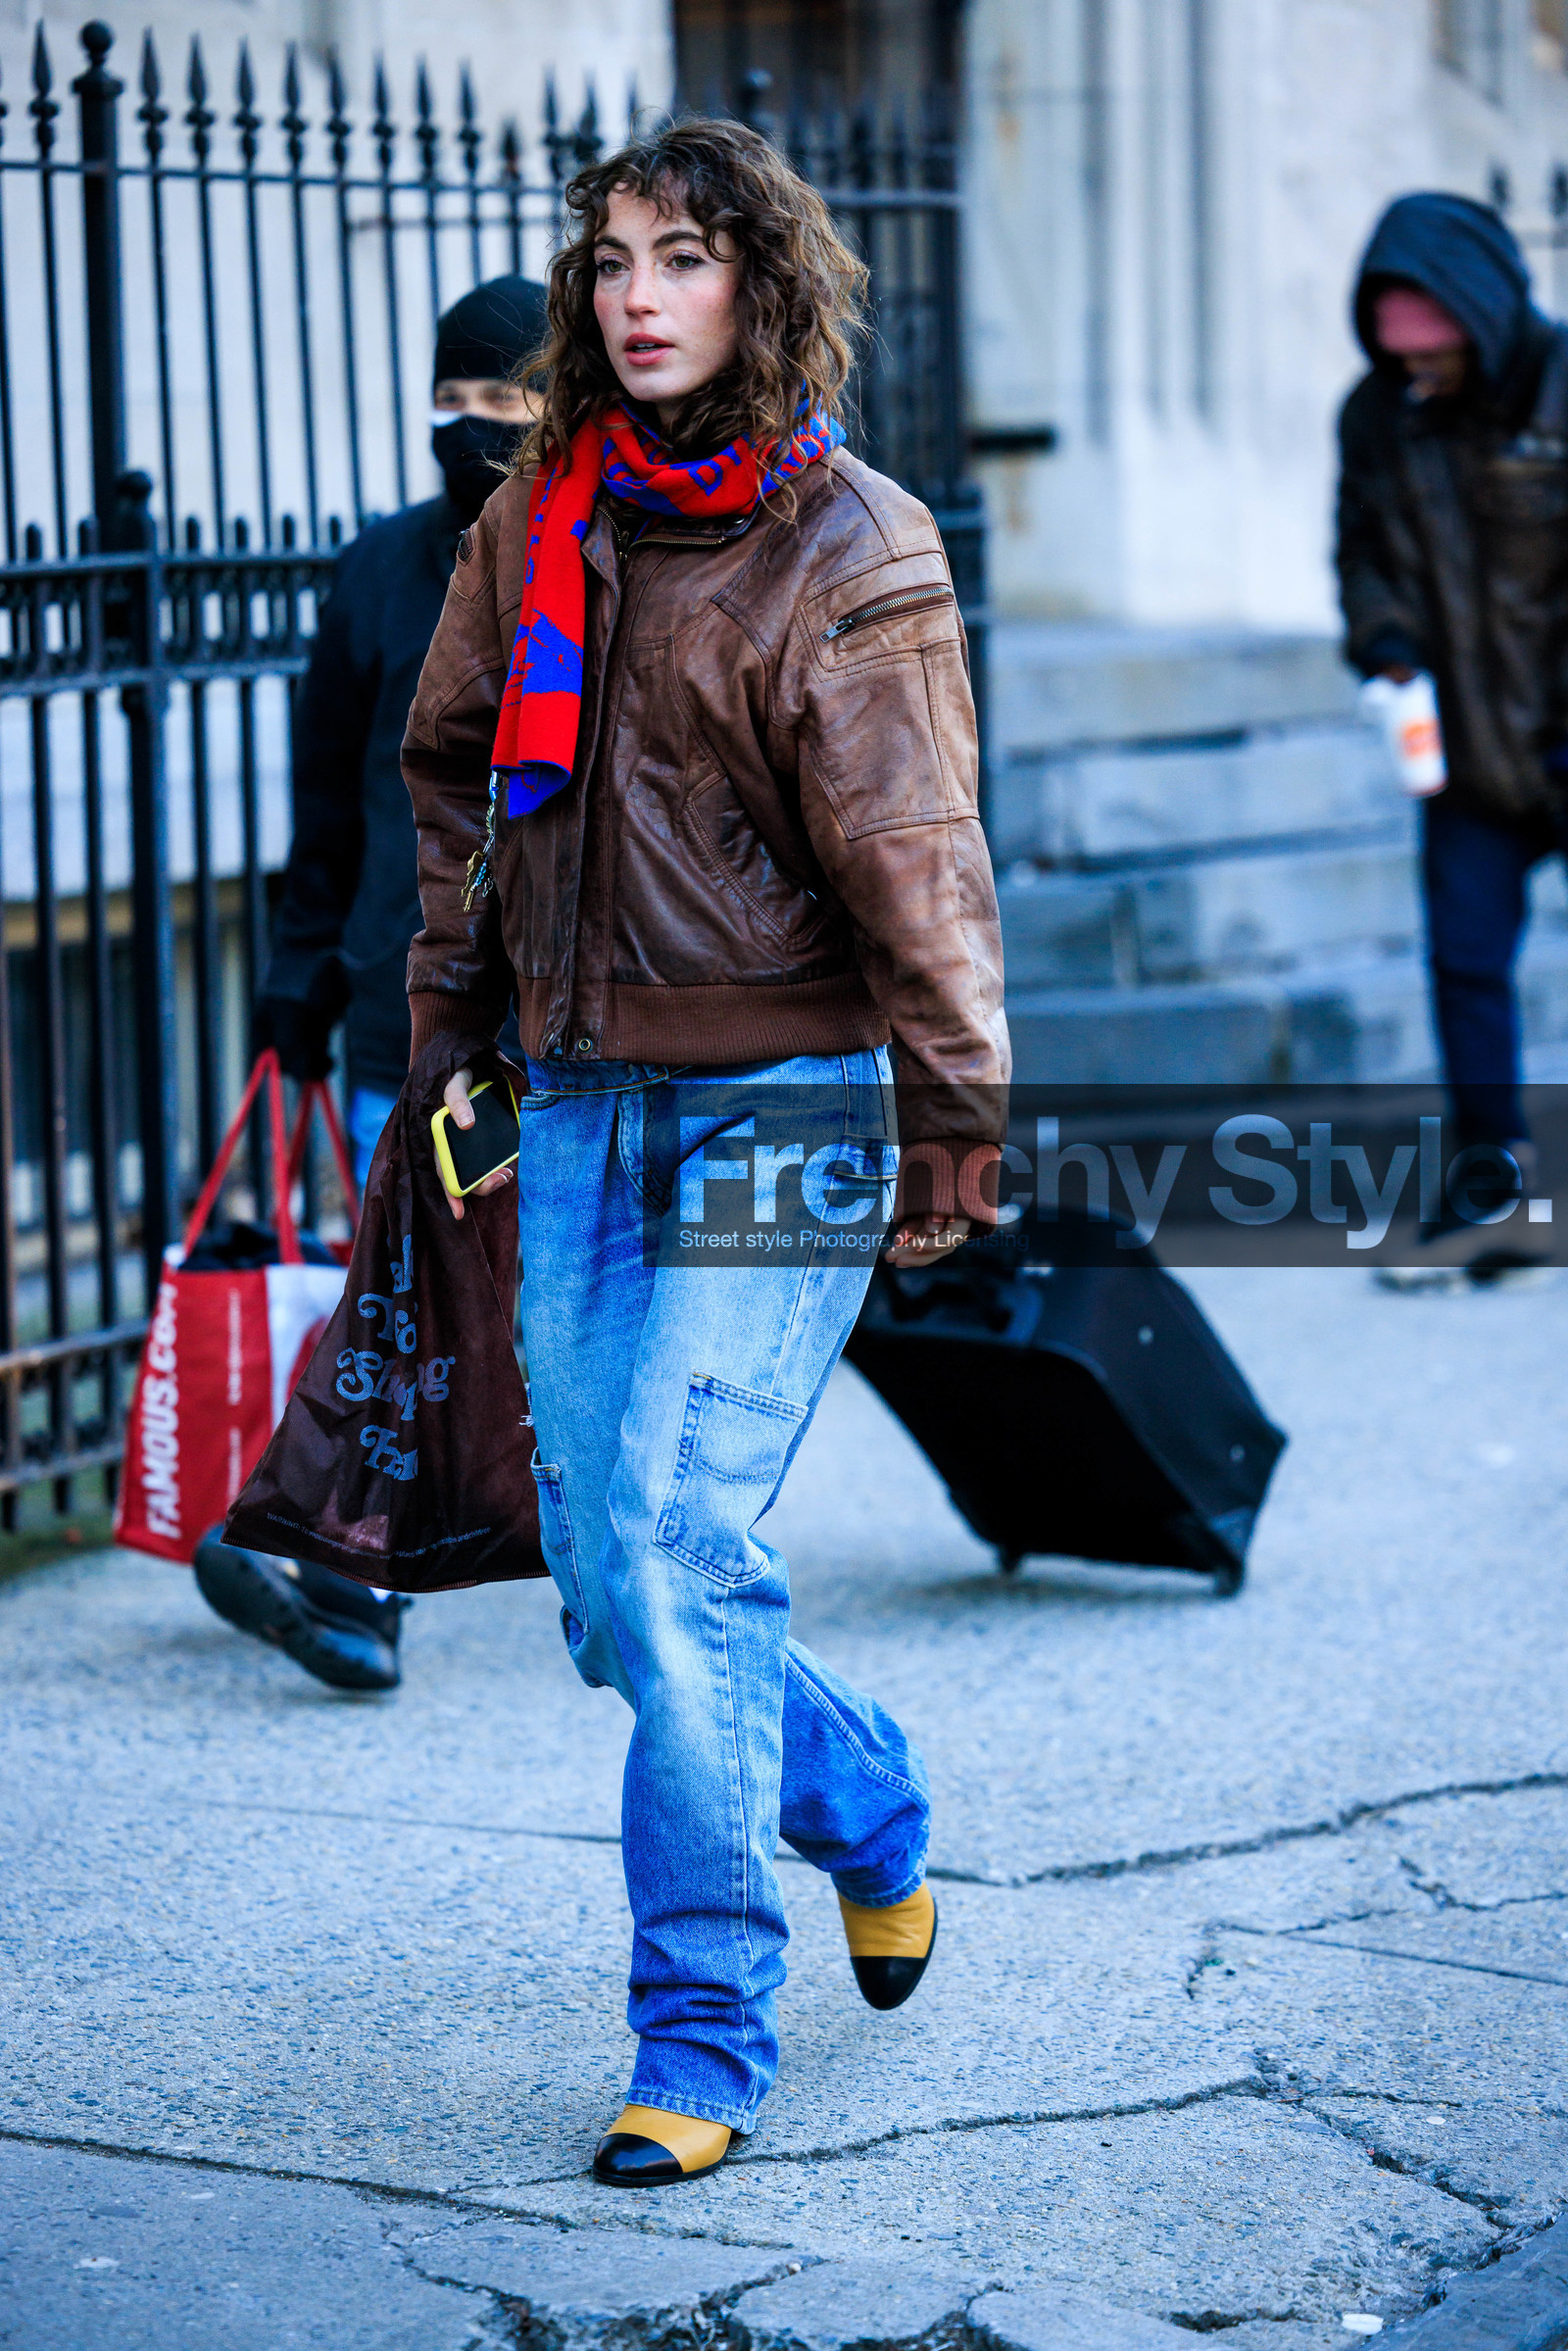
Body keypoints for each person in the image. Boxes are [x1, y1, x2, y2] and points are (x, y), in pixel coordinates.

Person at [402, 120, 1008, 2182]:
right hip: (574, 1096)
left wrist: (952, 1112)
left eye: (679, 256)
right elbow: (450, 766)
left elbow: (917, 861)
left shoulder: (849, 538)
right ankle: (869, 1798)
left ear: (759, 281)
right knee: (612, 1589)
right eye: (606, 261)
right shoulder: (532, 523)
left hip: (787, 1099)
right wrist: (449, 1037)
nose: (634, 295)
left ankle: (701, 2027)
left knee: (665, 1544)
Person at [192, 276, 549, 1694]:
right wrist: (293, 976)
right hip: (397, 1008)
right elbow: (326, 809)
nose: (473, 428)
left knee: (494, 1292)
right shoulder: (376, 573)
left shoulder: (596, 563)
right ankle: (358, 1573)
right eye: (453, 400)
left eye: (508, 401)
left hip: (550, 1020)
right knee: (427, 1281)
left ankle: (379, 1555)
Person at [1337, 193, 1567, 1284]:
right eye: (1403, 356)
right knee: (1466, 964)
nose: (1420, 373)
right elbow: (1361, 554)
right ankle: (1496, 1193)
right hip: (1464, 750)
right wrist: (1383, 645)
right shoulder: (1375, 415)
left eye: (1437, 354)